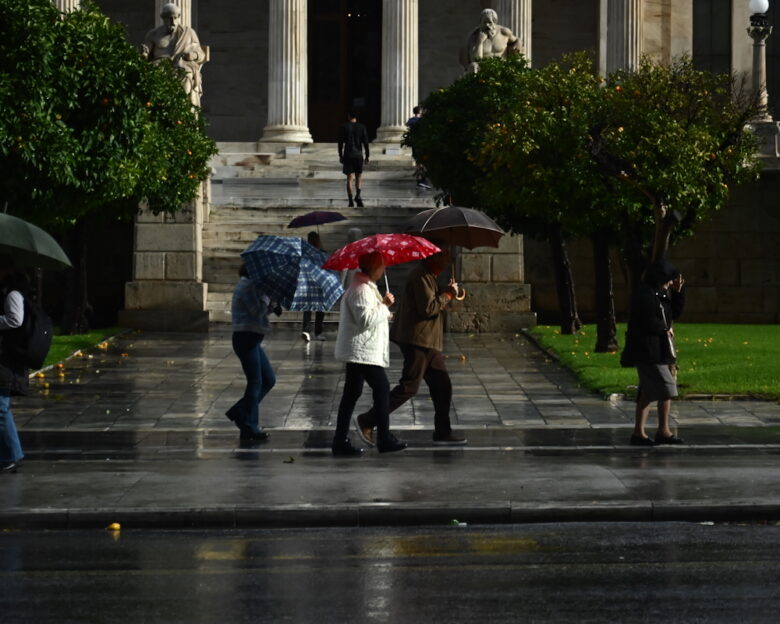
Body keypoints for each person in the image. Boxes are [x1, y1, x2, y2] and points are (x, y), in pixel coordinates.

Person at [356, 246, 467, 446]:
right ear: (435, 256)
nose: (449, 259)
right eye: (445, 255)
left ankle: (443, 431)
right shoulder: (420, 275)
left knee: (443, 386)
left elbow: (431, 301)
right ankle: (368, 420)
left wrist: (446, 292)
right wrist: (448, 295)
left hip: (429, 342)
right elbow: (428, 308)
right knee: (409, 386)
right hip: (418, 340)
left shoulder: (430, 275)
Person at [332, 251, 407, 456]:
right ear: (374, 267)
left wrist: (383, 309)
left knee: (351, 394)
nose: (384, 270)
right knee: (381, 388)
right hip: (362, 351)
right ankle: (384, 437)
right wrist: (385, 306)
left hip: (361, 349)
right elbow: (365, 319)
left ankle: (340, 440)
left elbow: (370, 315)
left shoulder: (366, 288)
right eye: (382, 265)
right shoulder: (361, 289)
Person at [621, 259, 686, 446]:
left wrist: (679, 293)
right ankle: (653, 431)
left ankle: (650, 432)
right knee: (666, 387)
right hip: (647, 350)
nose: (670, 283)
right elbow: (645, 320)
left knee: (649, 391)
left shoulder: (661, 293)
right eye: (669, 279)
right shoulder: (645, 294)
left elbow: (673, 314)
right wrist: (664, 329)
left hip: (659, 348)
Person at [225, 264, 276, 443]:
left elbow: (263, 311)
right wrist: (267, 298)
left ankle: (240, 412)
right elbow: (257, 311)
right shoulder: (246, 286)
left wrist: (272, 303)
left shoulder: (252, 286)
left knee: (269, 379)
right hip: (245, 338)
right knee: (255, 381)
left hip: (253, 339)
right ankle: (249, 426)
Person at [142, 2, 207, 107]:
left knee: (187, 75)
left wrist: (193, 55)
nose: (173, 22)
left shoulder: (189, 33)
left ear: (179, 17)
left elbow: (201, 54)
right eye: (169, 18)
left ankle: (183, 108)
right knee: (153, 76)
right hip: (159, 66)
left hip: (181, 65)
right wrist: (144, 54)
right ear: (163, 18)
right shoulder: (153, 34)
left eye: (175, 18)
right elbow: (146, 54)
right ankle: (157, 108)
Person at [0, 256, 28, 473]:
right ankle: (10, 454)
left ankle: (11, 455)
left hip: (6, 360)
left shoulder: (13, 294)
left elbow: (15, 320)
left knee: (1, 408)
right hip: (4, 358)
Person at [461, 8, 522, 74]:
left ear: (494, 22)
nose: (487, 25)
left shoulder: (504, 32)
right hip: (483, 72)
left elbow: (516, 41)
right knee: (474, 66)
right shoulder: (474, 36)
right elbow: (476, 60)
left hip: (502, 70)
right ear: (480, 23)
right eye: (484, 22)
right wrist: (480, 42)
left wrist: (518, 44)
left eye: (489, 22)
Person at [338, 110, 370, 207]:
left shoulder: (344, 127)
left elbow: (340, 143)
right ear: (356, 117)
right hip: (358, 154)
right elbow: (366, 142)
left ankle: (350, 200)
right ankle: (358, 195)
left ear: (349, 116)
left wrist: (340, 155)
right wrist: (367, 155)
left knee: (349, 177)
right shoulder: (362, 127)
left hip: (348, 154)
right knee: (359, 176)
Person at [301, 231, 326, 342]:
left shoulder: (307, 253)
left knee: (310, 308)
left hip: (311, 282)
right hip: (317, 281)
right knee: (318, 308)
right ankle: (316, 332)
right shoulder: (319, 253)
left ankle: (308, 330)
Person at [406, 106, 431, 190]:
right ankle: (422, 181)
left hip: (415, 143)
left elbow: (408, 124)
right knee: (423, 162)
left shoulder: (411, 120)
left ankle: (420, 181)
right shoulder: (421, 121)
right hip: (421, 143)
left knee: (418, 162)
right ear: (420, 111)